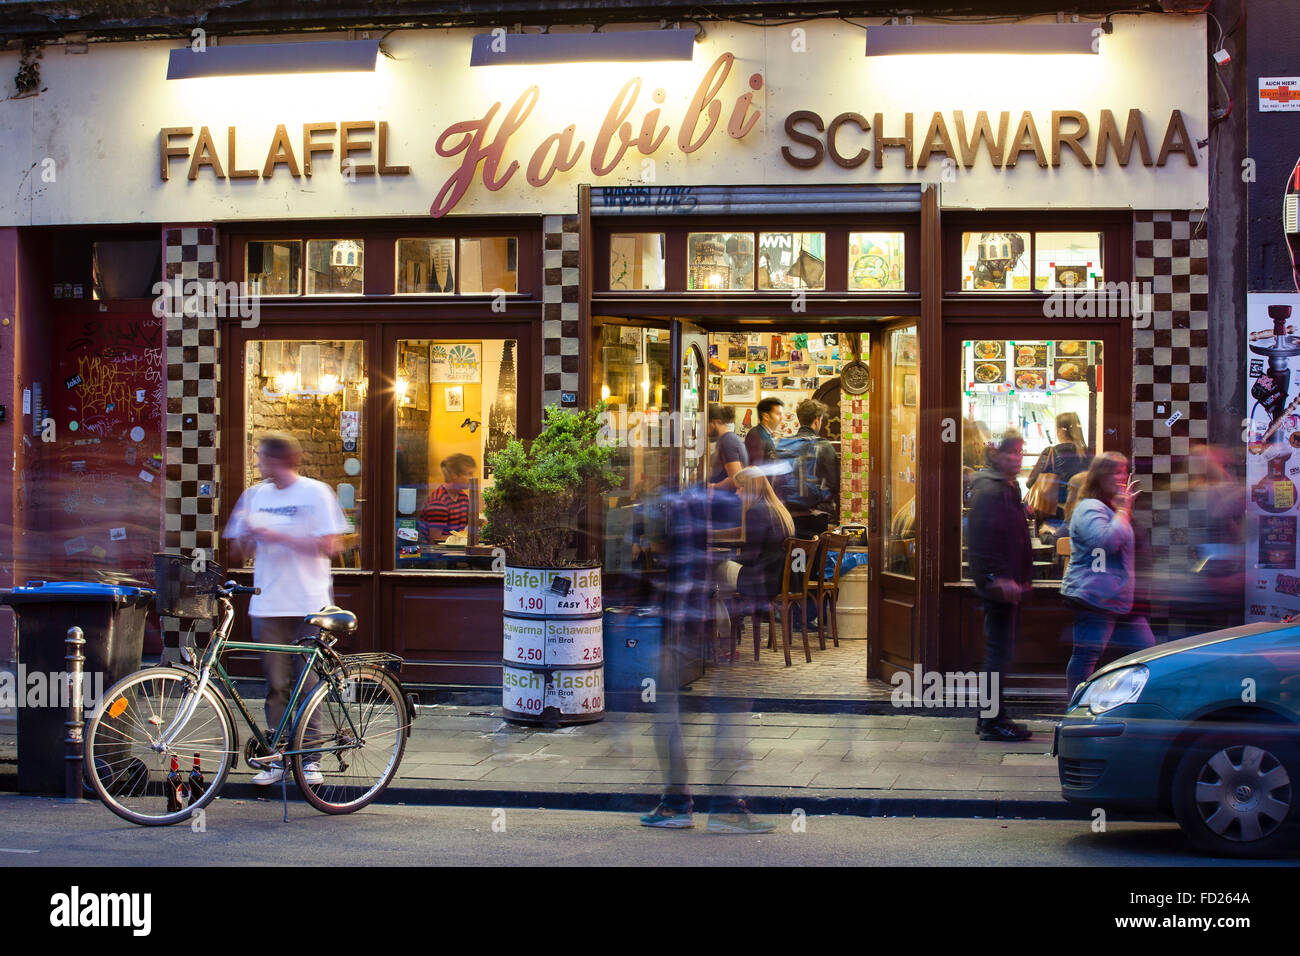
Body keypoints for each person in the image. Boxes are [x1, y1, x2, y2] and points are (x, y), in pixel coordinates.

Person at [638, 480, 775, 834]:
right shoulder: (698, 510)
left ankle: (681, 804)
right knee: (721, 717)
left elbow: (678, 571)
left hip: (684, 629)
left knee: (674, 715)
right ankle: (718, 807)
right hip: (699, 630)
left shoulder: (678, 510)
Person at [224, 432, 349, 785]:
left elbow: (331, 545)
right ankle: (277, 758)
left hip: (309, 604)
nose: (257, 462)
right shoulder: (254, 496)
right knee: (276, 686)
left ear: (280, 460)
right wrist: (249, 534)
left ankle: (310, 761)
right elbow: (238, 551)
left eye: (262, 456)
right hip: (268, 605)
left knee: (307, 685)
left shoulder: (315, 493)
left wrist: (278, 535)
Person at [1061, 452, 1156, 698]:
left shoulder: (1111, 505)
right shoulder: (1089, 507)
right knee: (1087, 656)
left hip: (1120, 597)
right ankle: (1075, 709)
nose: (1122, 477)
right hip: (1097, 597)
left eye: (1124, 471)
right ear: (1100, 476)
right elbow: (1105, 542)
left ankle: (1129, 708)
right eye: (1115, 472)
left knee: (1146, 653)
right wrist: (1124, 510)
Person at [966, 428, 1033, 741]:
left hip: (1008, 585)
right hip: (999, 588)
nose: (1017, 459)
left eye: (1020, 452)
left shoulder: (1006, 487)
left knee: (1000, 654)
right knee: (997, 655)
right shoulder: (992, 491)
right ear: (996, 455)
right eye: (1011, 453)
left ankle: (991, 717)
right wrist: (998, 578)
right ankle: (992, 721)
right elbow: (981, 540)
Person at [776, 398, 840, 537]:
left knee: (791, 555)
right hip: (816, 518)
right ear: (817, 420)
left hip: (787, 517)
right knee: (815, 556)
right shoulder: (824, 447)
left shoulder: (783, 445)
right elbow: (834, 485)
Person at [1025, 412, 1091, 526]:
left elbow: (1030, 482)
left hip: (1054, 515)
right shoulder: (1089, 453)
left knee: (1054, 541)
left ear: (1060, 431)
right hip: (1082, 512)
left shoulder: (1050, 452)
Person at [706, 404, 748, 527]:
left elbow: (736, 480)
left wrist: (711, 486)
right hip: (726, 506)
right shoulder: (727, 440)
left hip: (728, 509)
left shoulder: (728, 442)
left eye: (705, 426)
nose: (704, 431)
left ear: (715, 423)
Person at [419, 453, 476, 543]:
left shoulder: (464, 498)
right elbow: (434, 539)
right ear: (453, 475)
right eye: (469, 474)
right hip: (435, 554)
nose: (472, 478)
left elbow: (464, 530)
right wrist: (466, 539)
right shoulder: (438, 501)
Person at [744, 397, 784, 471]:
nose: (782, 417)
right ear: (766, 417)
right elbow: (755, 469)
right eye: (778, 414)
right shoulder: (755, 435)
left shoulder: (766, 433)